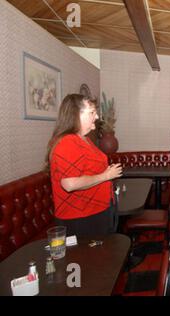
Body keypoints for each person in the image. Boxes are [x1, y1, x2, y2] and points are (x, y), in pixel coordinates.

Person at [47, 94, 123, 237]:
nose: (96, 117)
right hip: (81, 218)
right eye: (92, 112)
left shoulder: (85, 140)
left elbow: (88, 170)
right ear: (76, 115)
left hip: (96, 211)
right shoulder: (67, 142)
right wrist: (106, 175)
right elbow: (69, 183)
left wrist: (105, 174)